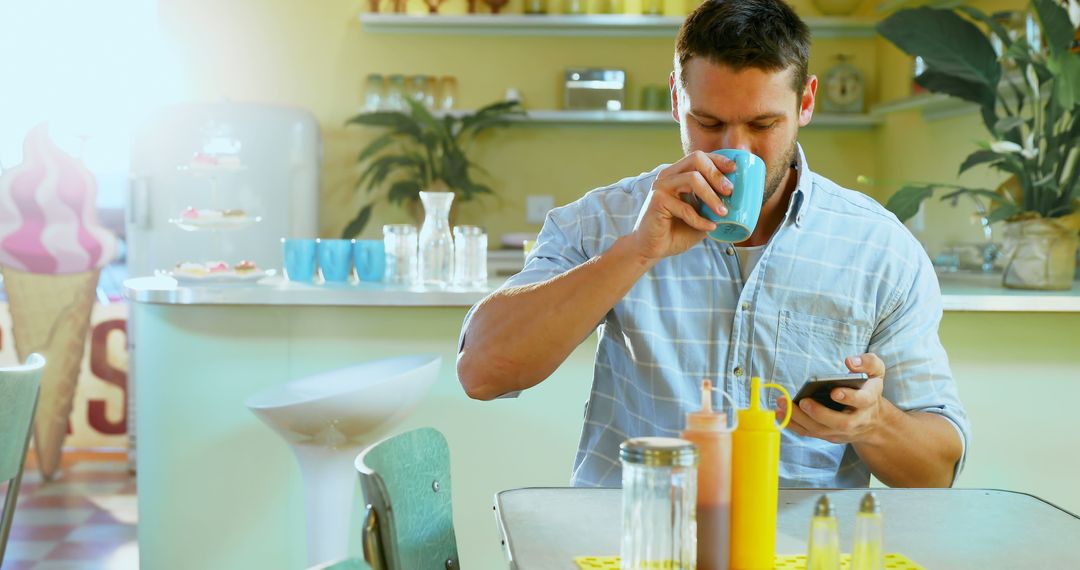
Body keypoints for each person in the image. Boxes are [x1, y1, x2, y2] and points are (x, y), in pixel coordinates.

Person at [456, 0, 969, 489]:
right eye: (708, 122)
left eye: (763, 124)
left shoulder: (878, 249)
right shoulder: (604, 221)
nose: (733, 150)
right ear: (677, 100)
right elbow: (482, 373)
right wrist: (636, 251)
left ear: (806, 103)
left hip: (794, 547)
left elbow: (937, 471)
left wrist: (874, 424)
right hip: (638, 535)